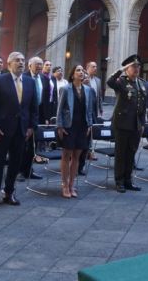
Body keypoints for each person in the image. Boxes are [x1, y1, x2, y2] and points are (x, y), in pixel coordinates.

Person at [0, 52, 38, 208]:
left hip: (21, 130)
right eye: (17, 61)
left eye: (23, 60)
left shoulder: (30, 82)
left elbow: (34, 108)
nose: (21, 63)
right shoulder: (0, 81)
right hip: (2, 129)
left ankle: (9, 193)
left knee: (15, 163)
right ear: (9, 65)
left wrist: (31, 126)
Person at [108, 55, 146, 193]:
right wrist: (121, 70)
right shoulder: (121, 82)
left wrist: (143, 124)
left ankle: (128, 180)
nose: (136, 69)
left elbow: (143, 105)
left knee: (131, 153)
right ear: (127, 69)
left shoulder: (142, 83)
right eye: (133, 67)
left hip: (136, 124)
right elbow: (109, 82)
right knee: (120, 154)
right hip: (122, 123)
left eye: (138, 67)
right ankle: (119, 181)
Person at [57, 64, 94, 198]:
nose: (81, 72)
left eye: (82, 70)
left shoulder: (88, 90)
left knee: (77, 156)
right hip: (68, 126)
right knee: (66, 155)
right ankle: (65, 184)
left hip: (82, 126)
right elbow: (59, 109)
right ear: (72, 74)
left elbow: (89, 109)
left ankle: (72, 184)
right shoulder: (65, 89)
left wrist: (90, 124)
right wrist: (60, 126)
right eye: (78, 70)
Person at [18, 57, 49, 182]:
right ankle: (18, 171)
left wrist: (46, 117)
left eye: (41, 64)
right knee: (21, 144)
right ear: (30, 65)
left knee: (32, 144)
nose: (40, 67)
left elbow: (46, 100)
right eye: (37, 64)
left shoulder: (44, 79)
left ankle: (29, 170)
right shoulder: (23, 77)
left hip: (38, 114)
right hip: (24, 114)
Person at [78, 61, 104, 175]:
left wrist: (93, 120)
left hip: (89, 121)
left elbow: (94, 105)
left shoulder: (92, 90)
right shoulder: (74, 90)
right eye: (85, 77)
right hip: (77, 122)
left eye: (88, 78)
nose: (87, 79)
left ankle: (81, 166)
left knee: (85, 144)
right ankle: (74, 165)